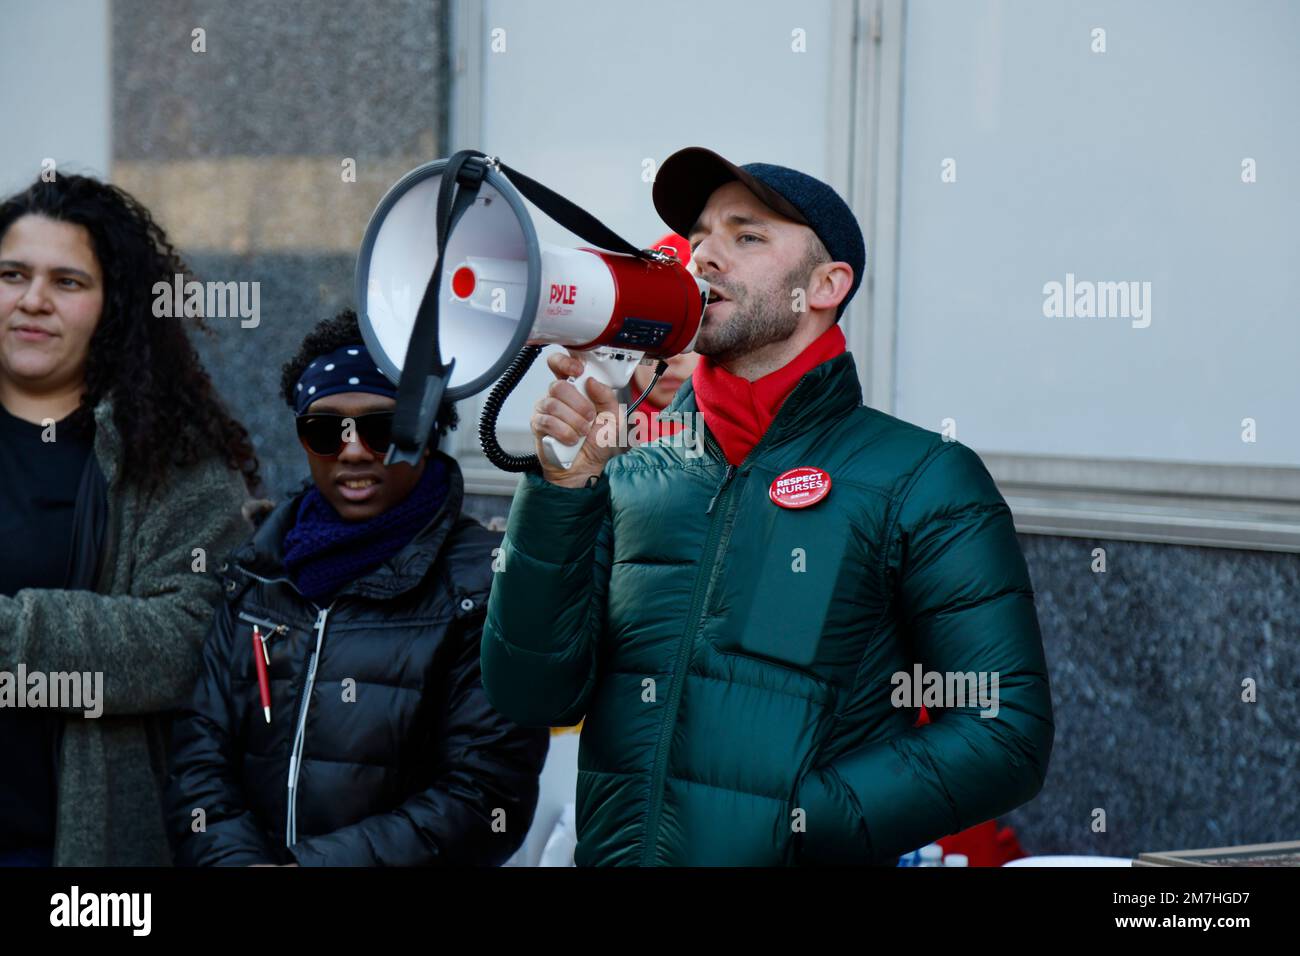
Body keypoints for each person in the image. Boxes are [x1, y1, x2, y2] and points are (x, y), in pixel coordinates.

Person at [481, 147, 1055, 865]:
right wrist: (559, 493)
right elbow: (533, 693)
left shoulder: (924, 480)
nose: (703, 259)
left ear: (825, 284)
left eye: (746, 237)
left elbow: (1003, 732)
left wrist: (797, 823)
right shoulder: (627, 474)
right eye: (698, 241)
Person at [165, 310, 549, 866]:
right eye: (323, 430)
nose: (351, 451)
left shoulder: (485, 585)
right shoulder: (258, 572)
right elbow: (198, 758)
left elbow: (485, 797)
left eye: (382, 428)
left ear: (425, 431)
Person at [0, 174, 257, 866]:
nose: (32, 300)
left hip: (73, 852)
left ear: (115, 307)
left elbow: (188, 638)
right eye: (12, 274)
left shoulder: (172, 457)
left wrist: (10, 636)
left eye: (67, 282)